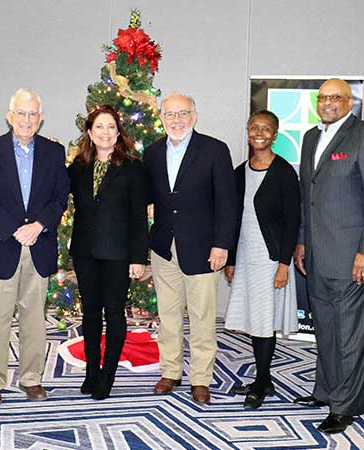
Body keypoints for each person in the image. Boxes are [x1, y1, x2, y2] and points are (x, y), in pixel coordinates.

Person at [293, 78, 364, 434]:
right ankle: (326, 391)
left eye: (335, 97)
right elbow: (309, 196)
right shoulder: (310, 138)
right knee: (326, 330)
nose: (327, 102)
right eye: (322, 97)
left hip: (356, 259)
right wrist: (302, 241)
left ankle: (346, 405)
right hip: (319, 257)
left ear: (349, 101)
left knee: (352, 335)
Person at [0, 88, 69, 404]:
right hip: (2, 245)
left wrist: (38, 226)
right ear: (9, 115)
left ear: (40, 119)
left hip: (38, 246)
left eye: (32, 114)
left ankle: (31, 379)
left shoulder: (54, 153)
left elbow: (60, 198)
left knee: (33, 319)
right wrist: (16, 230)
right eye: (21, 113)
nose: (27, 120)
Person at [143, 93, 238, 404]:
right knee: (167, 316)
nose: (177, 120)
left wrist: (222, 246)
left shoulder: (214, 150)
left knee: (202, 318)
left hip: (202, 249)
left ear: (194, 116)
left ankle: (201, 378)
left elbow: (227, 203)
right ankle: (170, 371)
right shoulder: (153, 152)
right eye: (170, 114)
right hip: (163, 249)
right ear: (161, 118)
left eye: (183, 113)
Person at [68, 106, 148, 400]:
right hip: (85, 251)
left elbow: (139, 216)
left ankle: (107, 376)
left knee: (114, 313)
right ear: (89, 132)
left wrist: (139, 257)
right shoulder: (78, 166)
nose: (106, 132)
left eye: (111, 127)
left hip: (119, 253)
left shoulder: (133, 167)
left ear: (119, 132)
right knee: (90, 312)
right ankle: (91, 371)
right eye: (99, 127)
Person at [224, 110, 301, 409]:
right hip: (244, 253)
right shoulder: (239, 171)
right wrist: (230, 258)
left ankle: (262, 382)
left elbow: (293, 221)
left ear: (275, 135)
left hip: (270, 257)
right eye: (254, 127)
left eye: (266, 129)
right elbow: (231, 219)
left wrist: (284, 264)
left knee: (263, 321)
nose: (259, 133)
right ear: (247, 131)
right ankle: (264, 379)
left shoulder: (283, 172)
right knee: (254, 318)